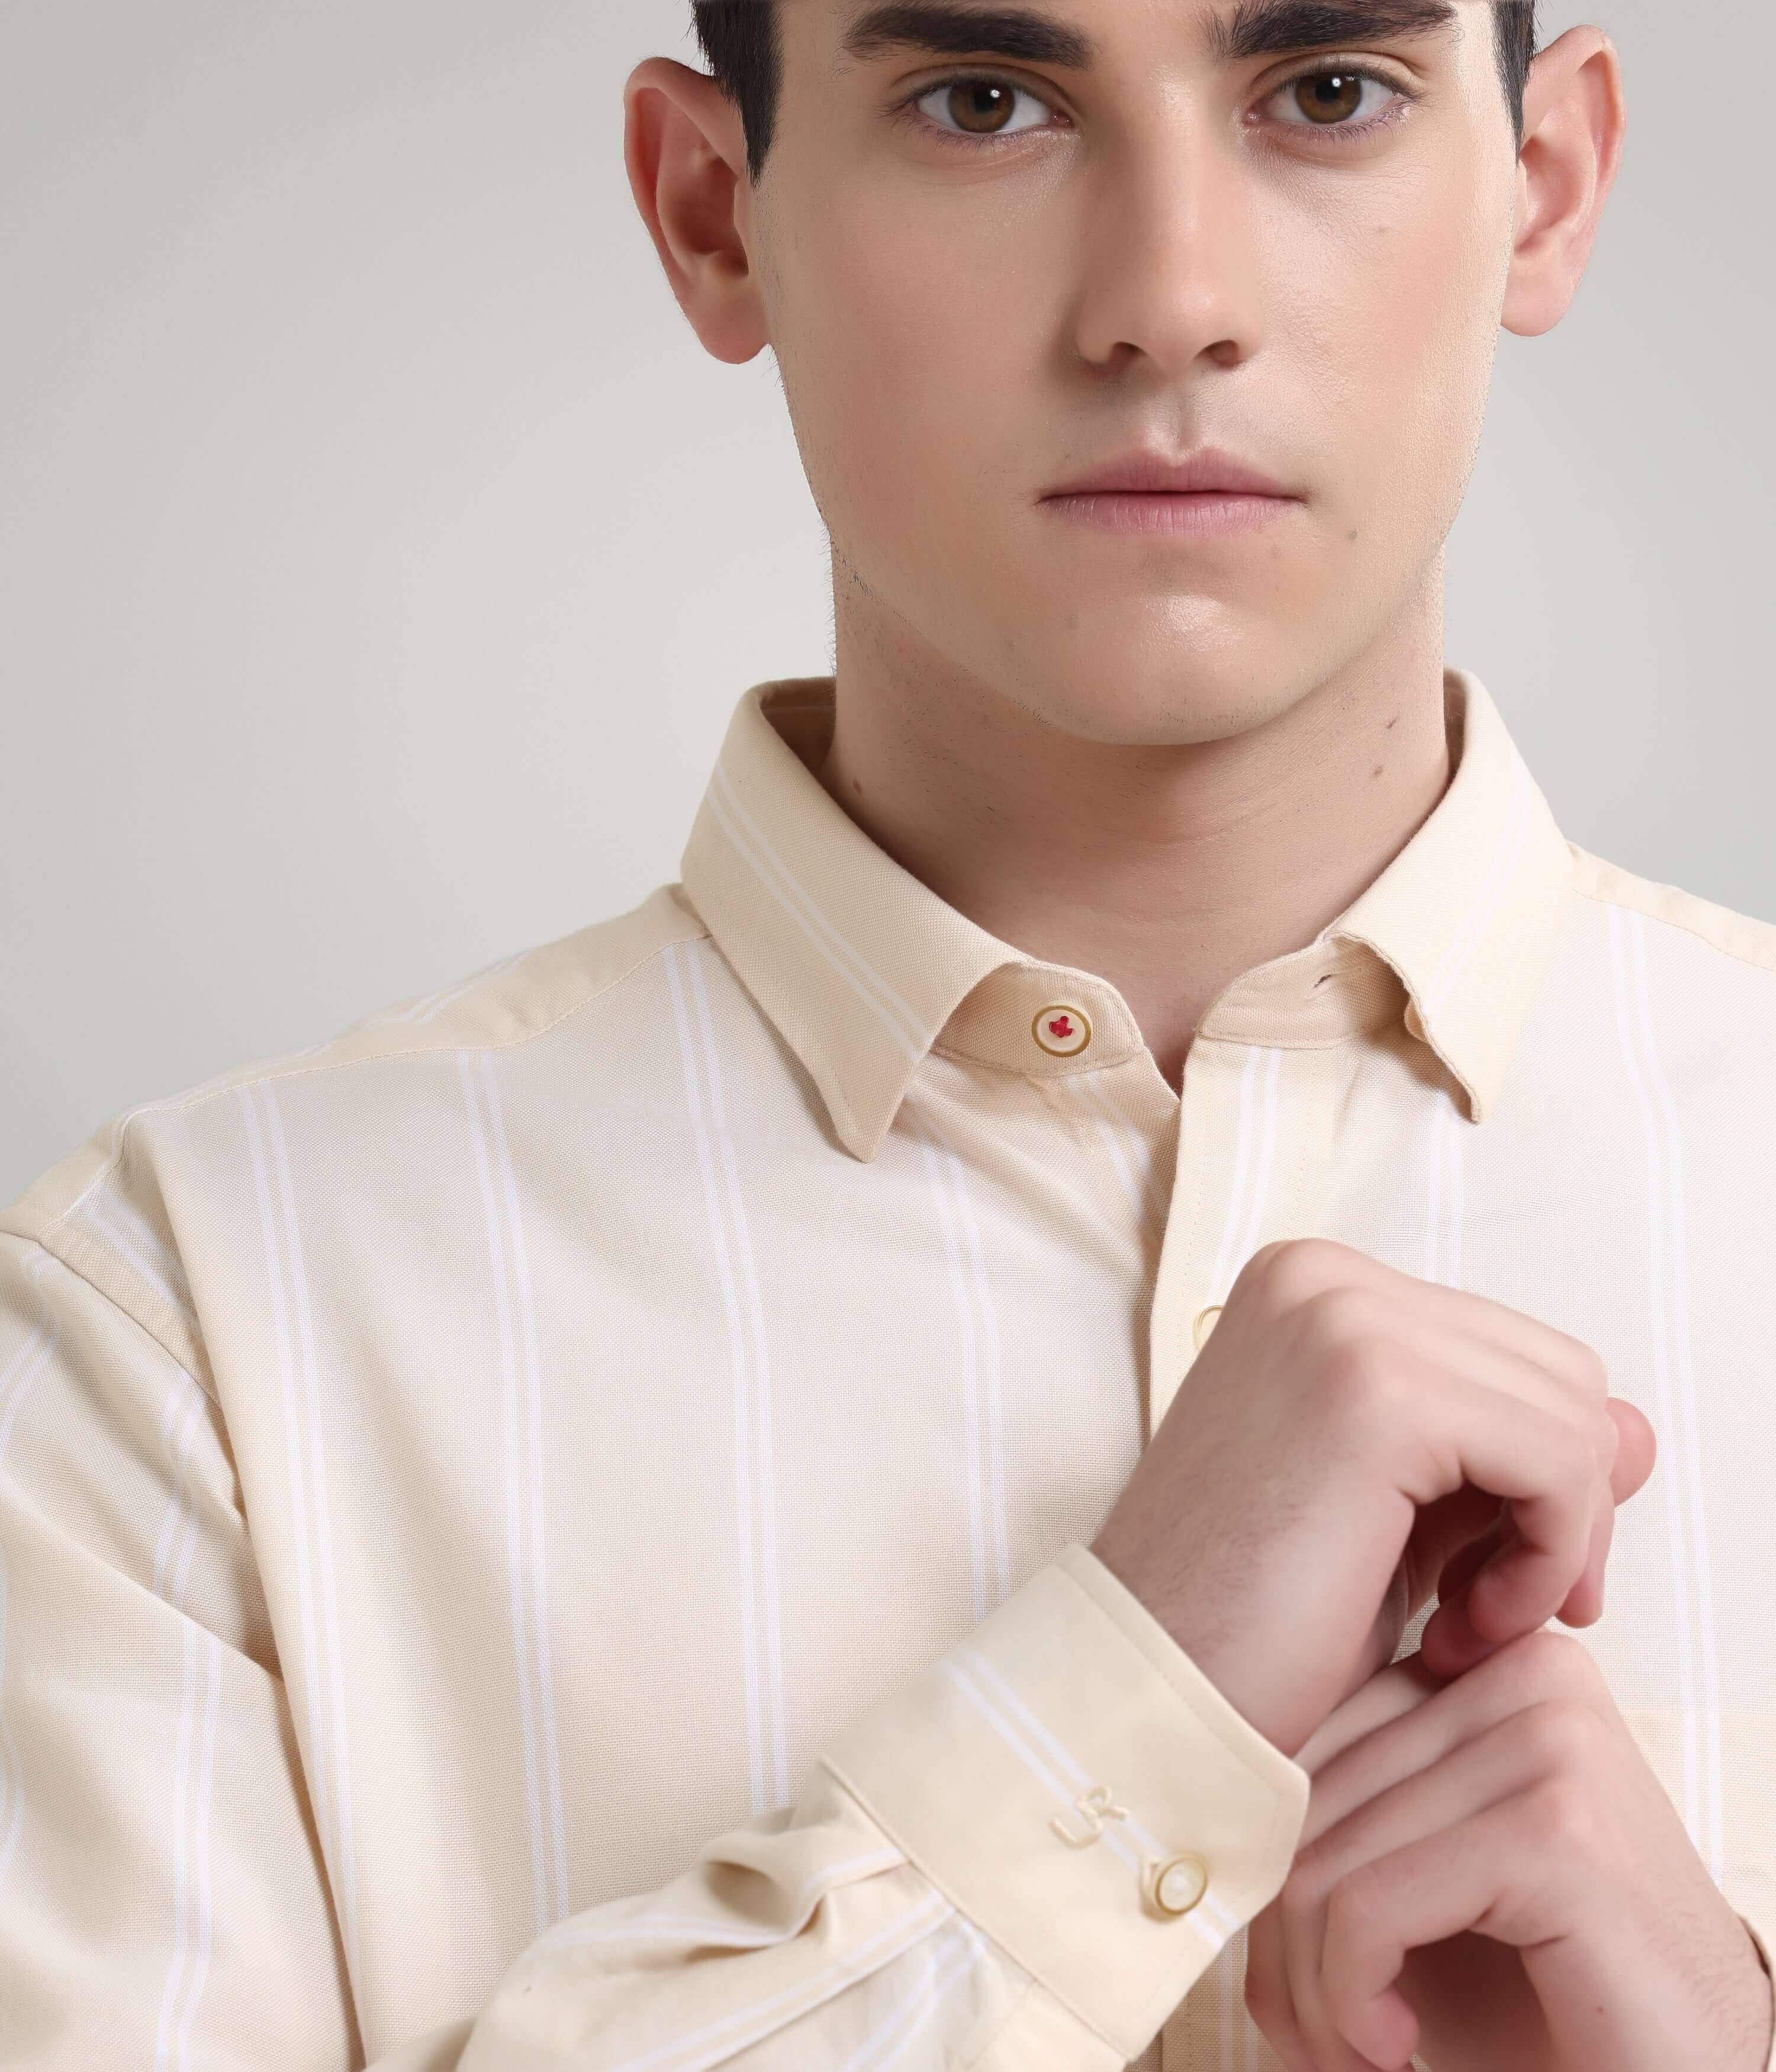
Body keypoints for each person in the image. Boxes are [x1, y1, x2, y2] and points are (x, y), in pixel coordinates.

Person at [2, 0, 1772, 2065]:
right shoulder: (182, 1337)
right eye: (984, 101)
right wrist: (1113, 1719)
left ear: (1544, 184)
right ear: (710, 215)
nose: (1169, 303)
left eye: (1326, 92)